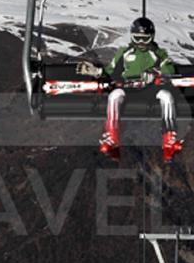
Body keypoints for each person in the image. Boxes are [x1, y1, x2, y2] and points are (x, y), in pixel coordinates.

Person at [78, 17, 184, 163]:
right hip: (129, 89)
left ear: (152, 38)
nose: (141, 43)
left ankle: (169, 138)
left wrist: (155, 73)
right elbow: (111, 71)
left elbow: (169, 69)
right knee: (114, 95)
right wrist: (97, 72)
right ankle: (112, 137)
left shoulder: (159, 53)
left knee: (166, 96)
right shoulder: (124, 53)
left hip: (151, 90)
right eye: (138, 38)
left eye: (145, 39)